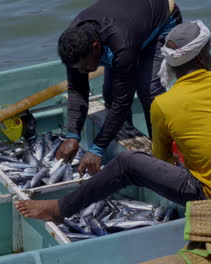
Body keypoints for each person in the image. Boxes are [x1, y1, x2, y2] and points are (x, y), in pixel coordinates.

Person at [15, 21, 211, 224]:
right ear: (201, 59)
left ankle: (60, 209)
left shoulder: (164, 104)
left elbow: (163, 159)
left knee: (127, 164)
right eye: (208, 51)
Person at [55, 0, 182, 176]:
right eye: (77, 68)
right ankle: (128, 146)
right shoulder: (74, 44)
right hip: (127, 24)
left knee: (149, 92)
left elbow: (123, 102)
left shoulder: (122, 44)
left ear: (95, 47)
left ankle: (167, 153)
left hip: (161, 20)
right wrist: (73, 135)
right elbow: (77, 90)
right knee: (110, 94)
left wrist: (97, 148)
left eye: (84, 67)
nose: (81, 72)